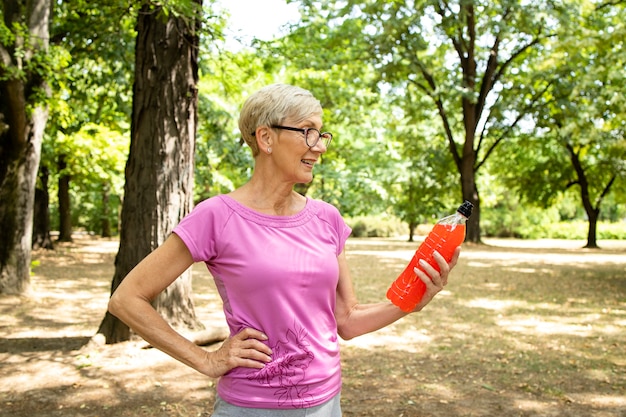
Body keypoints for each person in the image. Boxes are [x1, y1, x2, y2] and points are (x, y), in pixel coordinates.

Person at [108, 83, 461, 416]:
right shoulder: (216, 216)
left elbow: (348, 321)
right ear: (266, 138)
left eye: (322, 134)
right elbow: (127, 299)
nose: (320, 146)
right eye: (308, 131)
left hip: (326, 402)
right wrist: (206, 360)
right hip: (251, 406)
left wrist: (410, 301)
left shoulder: (327, 218)